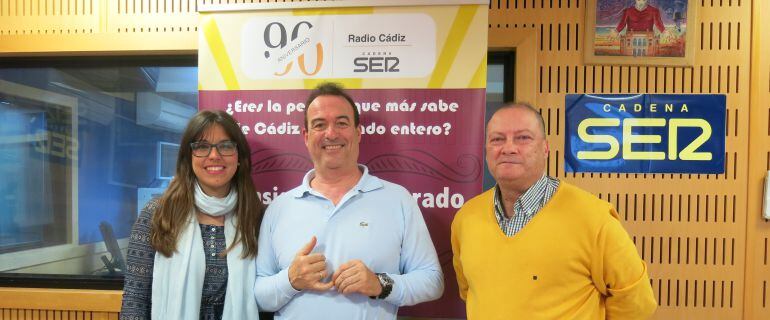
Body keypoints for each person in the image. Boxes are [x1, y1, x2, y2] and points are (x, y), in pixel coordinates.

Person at [254, 83, 443, 319]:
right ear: (306, 136)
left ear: (358, 132)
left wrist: (378, 284)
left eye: (342, 123)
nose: (331, 134)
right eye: (319, 125)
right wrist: (290, 279)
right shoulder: (279, 208)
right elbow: (258, 297)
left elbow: (432, 281)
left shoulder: (398, 200)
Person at [451, 103, 657, 319]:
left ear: (545, 149)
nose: (508, 148)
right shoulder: (466, 218)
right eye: (497, 139)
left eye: (523, 138)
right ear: (486, 151)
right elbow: (470, 292)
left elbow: (637, 303)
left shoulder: (594, 218)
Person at [120, 110, 263, 319]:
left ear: (239, 156)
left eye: (225, 146)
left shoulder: (255, 218)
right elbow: (135, 300)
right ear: (189, 157)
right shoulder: (158, 214)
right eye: (202, 146)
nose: (214, 155)